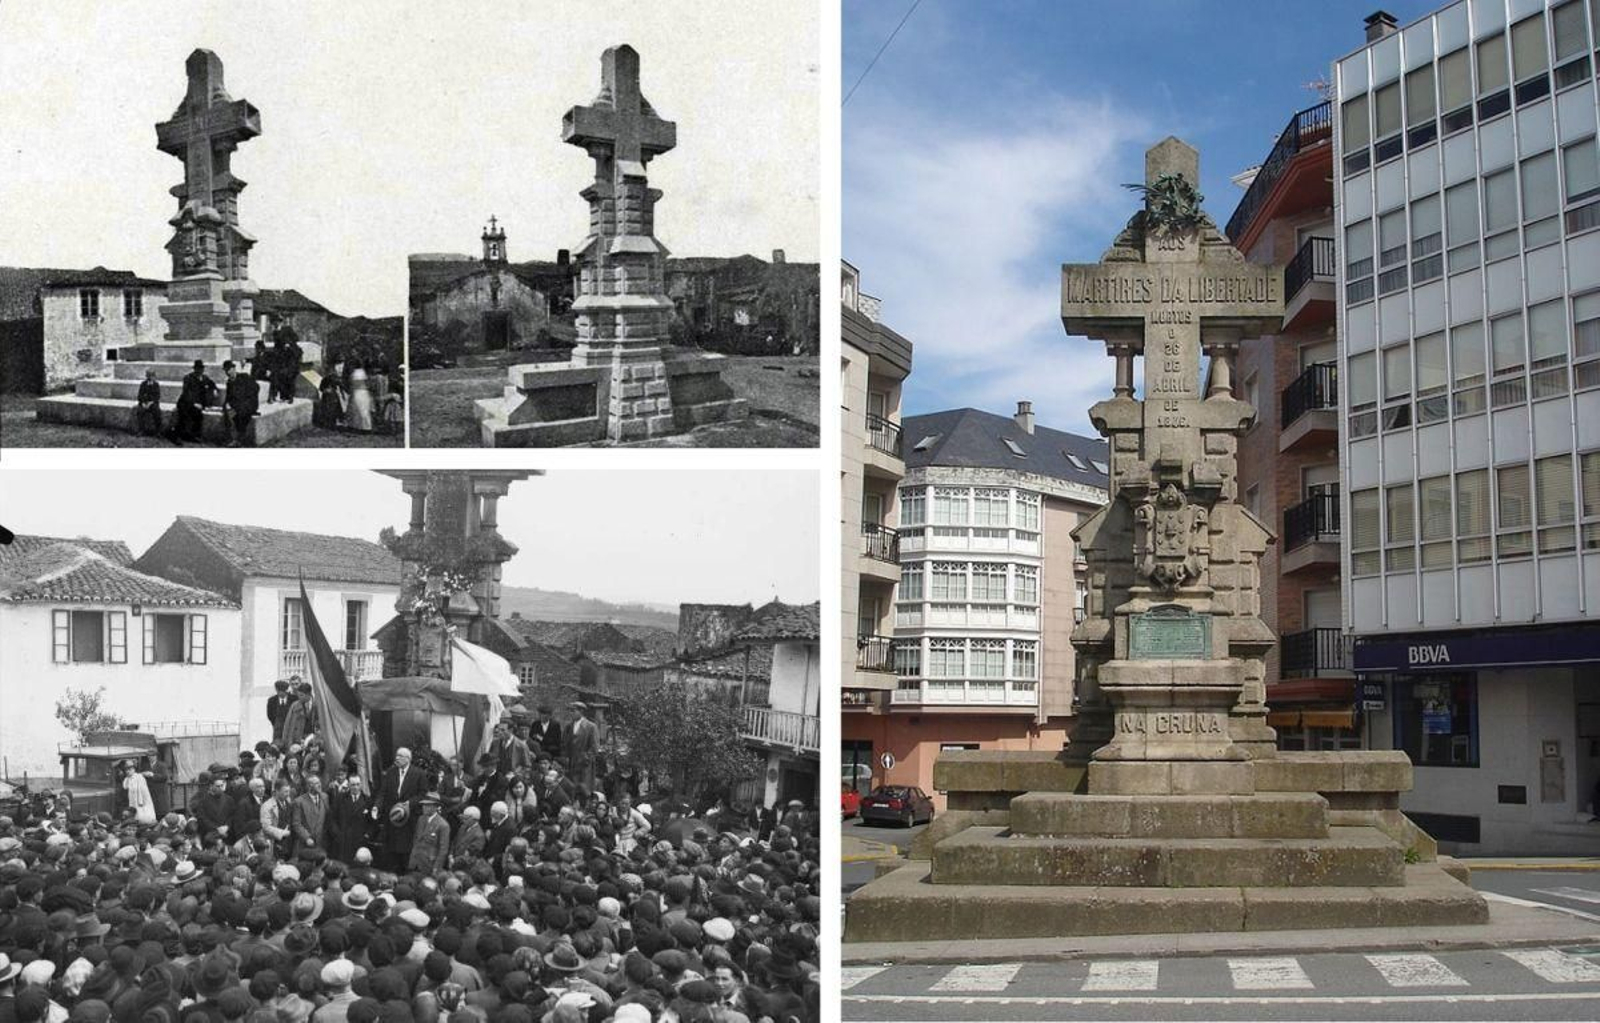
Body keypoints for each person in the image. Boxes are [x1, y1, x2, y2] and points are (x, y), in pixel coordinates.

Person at [376, 746, 424, 870]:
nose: (397, 758)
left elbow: (423, 794)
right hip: (392, 819)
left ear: (408, 759)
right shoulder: (390, 773)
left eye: (400, 756)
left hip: (409, 820)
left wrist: (409, 803)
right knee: (391, 853)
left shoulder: (419, 773)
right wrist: (377, 806)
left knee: (406, 853)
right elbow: (383, 792)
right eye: (396, 755)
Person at [167, 359, 216, 444]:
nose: (200, 370)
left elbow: (212, 384)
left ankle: (193, 436)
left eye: (201, 369)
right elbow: (186, 393)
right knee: (184, 415)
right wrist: (194, 403)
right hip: (185, 402)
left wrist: (215, 390)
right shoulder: (188, 378)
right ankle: (175, 435)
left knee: (198, 415)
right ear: (194, 369)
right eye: (198, 368)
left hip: (197, 404)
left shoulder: (204, 378)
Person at [327, 767, 369, 864]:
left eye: (358, 784)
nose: (355, 787)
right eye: (353, 785)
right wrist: (337, 834)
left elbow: (372, 822)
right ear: (349, 785)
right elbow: (331, 818)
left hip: (359, 841)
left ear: (361, 785)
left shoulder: (367, 800)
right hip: (343, 841)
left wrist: (367, 835)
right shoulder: (340, 798)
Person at [407, 793, 449, 874]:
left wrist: (436, 868)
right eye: (423, 805)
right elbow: (416, 839)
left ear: (435, 807)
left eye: (428, 805)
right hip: (415, 862)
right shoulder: (421, 819)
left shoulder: (443, 825)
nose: (424, 807)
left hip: (429, 865)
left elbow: (443, 850)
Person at [221, 359, 258, 447]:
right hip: (238, 405)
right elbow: (228, 397)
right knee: (228, 412)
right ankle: (232, 438)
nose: (228, 372)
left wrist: (246, 400)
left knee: (239, 412)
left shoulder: (244, 377)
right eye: (226, 370)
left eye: (229, 369)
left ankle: (239, 439)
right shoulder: (229, 383)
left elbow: (256, 387)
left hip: (249, 403)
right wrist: (226, 404)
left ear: (234, 369)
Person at [291, 773, 327, 858]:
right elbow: (296, 824)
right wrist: (306, 837)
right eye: (316, 783)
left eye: (319, 782)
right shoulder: (299, 801)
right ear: (309, 786)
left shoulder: (325, 797)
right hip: (306, 843)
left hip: (321, 842)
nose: (319, 785)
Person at [566, 703, 600, 792]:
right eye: (570, 711)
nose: (571, 713)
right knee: (571, 788)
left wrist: (584, 758)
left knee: (584, 789)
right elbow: (564, 744)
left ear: (581, 711)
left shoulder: (591, 726)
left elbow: (594, 747)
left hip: (584, 765)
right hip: (570, 763)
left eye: (573, 711)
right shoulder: (569, 726)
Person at [271, 320, 302, 403]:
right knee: (282, 377)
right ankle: (284, 396)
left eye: (277, 322)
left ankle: (291, 396)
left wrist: (289, 343)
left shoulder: (287, 329)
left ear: (280, 322)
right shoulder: (275, 332)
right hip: (282, 358)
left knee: (290, 377)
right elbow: (276, 345)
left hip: (291, 356)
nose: (276, 324)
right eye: (274, 323)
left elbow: (296, 338)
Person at [134, 369, 163, 437]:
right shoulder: (143, 384)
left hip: (152, 403)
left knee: (157, 412)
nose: (150, 378)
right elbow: (139, 395)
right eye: (149, 376)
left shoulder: (156, 385)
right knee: (140, 412)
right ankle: (141, 430)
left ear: (154, 377)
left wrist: (150, 403)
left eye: (152, 376)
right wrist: (143, 403)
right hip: (144, 403)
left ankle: (158, 431)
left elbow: (157, 396)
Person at [345, 367, 374, 431]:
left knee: (357, 410)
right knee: (363, 410)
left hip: (357, 392)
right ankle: (365, 426)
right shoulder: (363, 372)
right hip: (363, 392)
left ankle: (357, 426)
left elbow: (352, 384)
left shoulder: (353, 374)